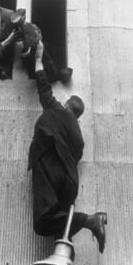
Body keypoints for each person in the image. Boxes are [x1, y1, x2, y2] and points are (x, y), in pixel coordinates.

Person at [28, 40, 107, 252]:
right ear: (78, 116)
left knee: (43, 221)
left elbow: (43, 85)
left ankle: (91, 220)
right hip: (69, 182)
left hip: (49, 164)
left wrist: (38, 58)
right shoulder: (79, 137)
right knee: (62, 230)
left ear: (66, 105)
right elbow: (77, 156)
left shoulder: (55, 109)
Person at [0, 0, 72, 82]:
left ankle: (55, 74)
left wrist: (31, 38)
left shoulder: (9, 14)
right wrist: (7, 41)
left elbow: (24, 31)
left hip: (16, 56)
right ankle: (6, 75)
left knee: (40, 47)